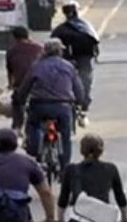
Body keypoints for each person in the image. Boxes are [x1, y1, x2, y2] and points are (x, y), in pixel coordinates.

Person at [16, 40, 82, 169]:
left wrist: (21, 100)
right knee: (65, 135)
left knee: (33, 125)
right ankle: (65, 167)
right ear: (60, 52)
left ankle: (34, 149)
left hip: (39, 105)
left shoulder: (37, 66)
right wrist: (80, 102)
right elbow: (78, 89)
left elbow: (25, 88)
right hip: (63, 106)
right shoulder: (69, 67)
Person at [51, 3, 101, 112]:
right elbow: (95, 42)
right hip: (82, 59)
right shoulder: (86, 26)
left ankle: (81, 100)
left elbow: (52, 44)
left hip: (72, 59)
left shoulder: (60, 29)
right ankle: (84, 102)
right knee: (86, 79)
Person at [4, 25, 45, 131]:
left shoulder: (11, 51)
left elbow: (10, 71)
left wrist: (11, 86)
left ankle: (17, 127)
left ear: (14, 38)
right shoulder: (39, 48)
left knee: (16, 103)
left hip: (21, 85)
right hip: (38, 85)